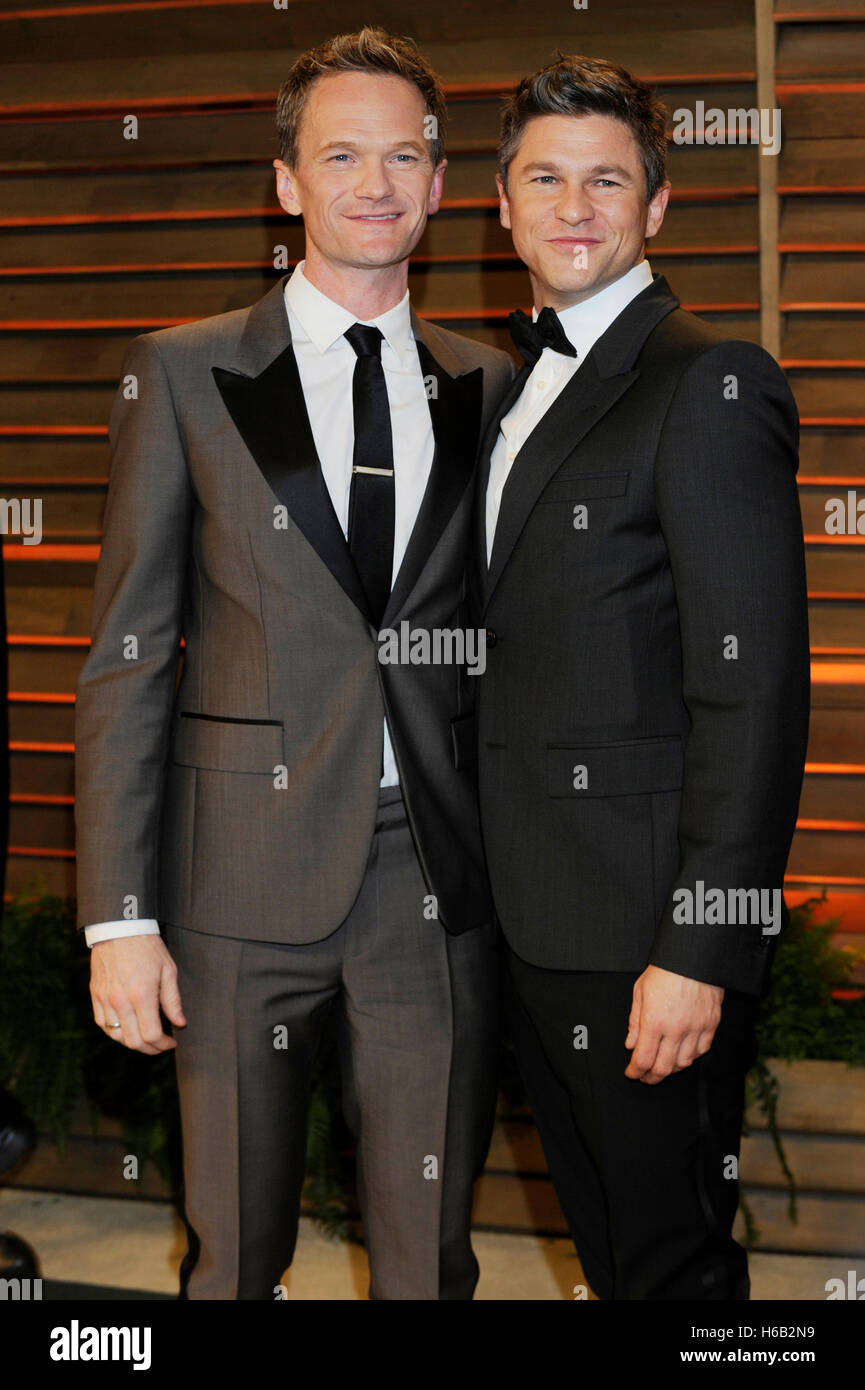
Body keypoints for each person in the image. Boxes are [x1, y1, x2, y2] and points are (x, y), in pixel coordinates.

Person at [74, 26, 514, 1301]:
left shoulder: (491, 387)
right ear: (287, 183)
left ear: (439, 186)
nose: (374, 183)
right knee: (235, 1257)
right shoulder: (183, 372)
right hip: (231, 891)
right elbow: (127, 657)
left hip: (429, 888)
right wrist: (118, 916)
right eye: (340, 155)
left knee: (428, 1259)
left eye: (403, 156)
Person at [472, 54, 810, 1300]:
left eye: (605, 179)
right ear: (499, 205)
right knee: (614, 1260)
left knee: (670, 1267)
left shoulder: (707, 381)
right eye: (544, 178)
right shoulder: (507, 391)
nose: (573, 206)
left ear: (655, 207)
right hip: (530, 924)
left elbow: (757, 691)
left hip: (643, 942)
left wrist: (699, 950)